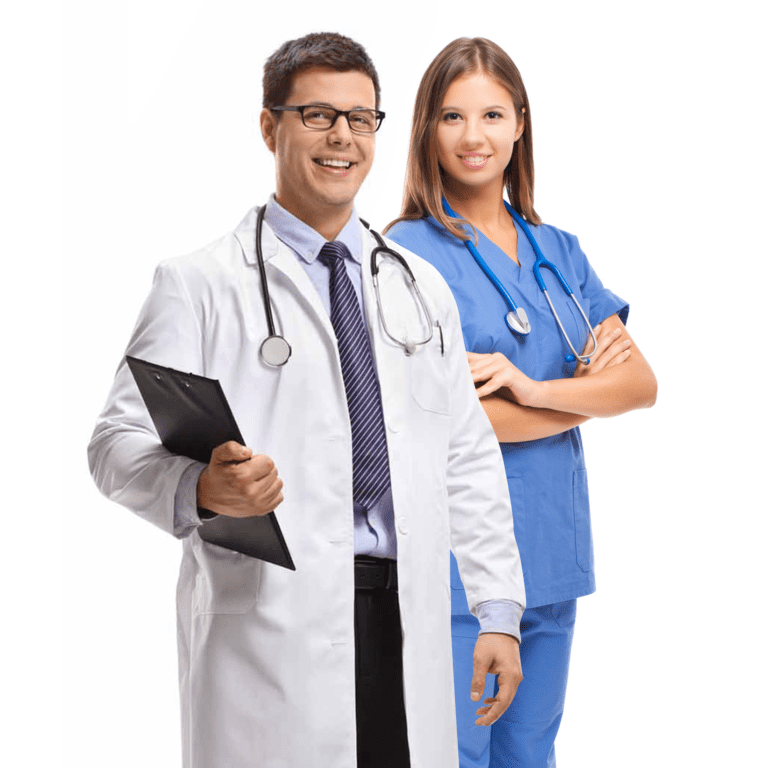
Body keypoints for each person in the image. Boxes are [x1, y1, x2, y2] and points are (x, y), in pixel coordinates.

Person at [88, 32, 527, 768]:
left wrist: (500, 609)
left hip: (405, 616)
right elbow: (112, 443)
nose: (342, 138)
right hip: (271, 627)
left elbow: (468, 455)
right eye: (318, 114)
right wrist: (200, 487)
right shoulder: (199, 284)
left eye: (361, 119)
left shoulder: (418, 287)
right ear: (270, 126)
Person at [386, 37, 657, 768]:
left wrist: (535, 389)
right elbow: (430, 422)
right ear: (425, 131)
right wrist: (584, 397)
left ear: (520, 124)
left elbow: (640, 385)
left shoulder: (557, 249)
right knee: (451, 754)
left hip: (552, 552)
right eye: (451, 117)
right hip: (457, 568)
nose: (473, 137)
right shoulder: (403, 256)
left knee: (529, 755)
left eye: (491, 115)